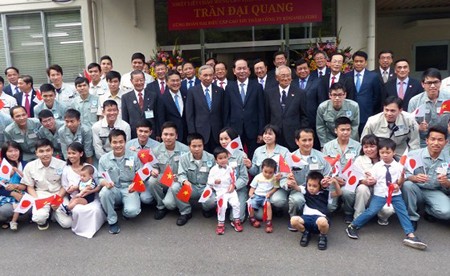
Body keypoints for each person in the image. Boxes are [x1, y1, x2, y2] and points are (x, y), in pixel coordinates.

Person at [346, 138, 427, 251]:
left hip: (395, 194)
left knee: (403, 212)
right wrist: (370, 178)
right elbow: (373, 180)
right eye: (382, 152)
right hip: (380, 194)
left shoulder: (399, 166)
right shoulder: (377, 166)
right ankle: (353, 225)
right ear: (379, 153)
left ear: (393, 152)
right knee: (371, 211)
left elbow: (400, 182)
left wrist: (398, 183)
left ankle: (410, 235)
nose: (385, 155)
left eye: (388, 152)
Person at [402, 126, 450, 230]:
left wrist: (447, 183)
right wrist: (413, 177)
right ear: (427, 141)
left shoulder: (448, 159)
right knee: (407, 185)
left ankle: (428, 210)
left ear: (445, 142)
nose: (436, 143)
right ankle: (412, 217)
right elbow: (400, 173)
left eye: (440, 140)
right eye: (433, 139)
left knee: (447, 212)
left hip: (434, 191)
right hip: (416, 188)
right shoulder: (413, 155)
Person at [286, 128, 332, 231]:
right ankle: (294, 218)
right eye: (304, 140)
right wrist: (288, 182)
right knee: (297, 200)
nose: (307, 143)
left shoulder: (322, 157)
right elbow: (283, 177)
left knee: (332, 206)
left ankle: (318, 220)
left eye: (310, 140)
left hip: (317, 192)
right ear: (297, 141)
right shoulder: (290, 158)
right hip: (298, 190)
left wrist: (326, 181)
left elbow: (328, 174)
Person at [98, 129, 141, 234]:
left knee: (132, 212)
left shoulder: (134, 156)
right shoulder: (104, 159)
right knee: (104, 192)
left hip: (129, 188)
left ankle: (124, 210)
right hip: (113, 188)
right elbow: (100, 178)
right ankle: (112, 220)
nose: (118, 145)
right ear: (110, 143)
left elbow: (141, 174)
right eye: (115, 142)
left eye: (121, 142)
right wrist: (106, 183)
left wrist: (136, 184)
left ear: (125, 142)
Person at [22, 138, 71, 230]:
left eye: (48, 150)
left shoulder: (62, 165)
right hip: (41, 194)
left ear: (52, 151)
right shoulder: (30, 166)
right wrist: (37, 200)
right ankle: (47, 214)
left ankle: (53, 213)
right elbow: (30, 187)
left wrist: (57, 199)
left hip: (58, 193)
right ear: (36, 153)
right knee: (39, 218)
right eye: (41, 151)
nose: (45, 154)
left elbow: (65, 185)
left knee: (67, 223)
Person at [169, 133, 216, 226]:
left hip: (206, 187)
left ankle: (206, 209)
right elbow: (181, 174)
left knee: (213, 200)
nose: (197, 149)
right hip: (191, 187)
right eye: (194, 146)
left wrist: (211, 186)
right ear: (189, 146)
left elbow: (215, 174)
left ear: (203, 145)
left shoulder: (211, 157)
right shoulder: (184, 158)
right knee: (175, 187)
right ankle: (185, 212)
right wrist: (184, 181)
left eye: (200, 146)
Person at [61, 142, 106, 238]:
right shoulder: (66, 169)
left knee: (94, 210)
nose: (71, 156)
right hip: (74, 196)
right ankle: (79, 228)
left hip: (90, 197)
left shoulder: (89, 168)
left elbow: (98, 185)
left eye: (74, 153)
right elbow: (64, 186)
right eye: (69, 153)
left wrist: (91, 191)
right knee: (77, 209)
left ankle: (93, 228)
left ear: (81, 154)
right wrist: (70, 189)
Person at [244, 125, 289, 217]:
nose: (267, 136)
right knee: (260, 217)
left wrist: (280, 176)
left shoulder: (284, 151)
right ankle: (266, 207)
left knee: (278, 201)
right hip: (261, 188)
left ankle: (275, 208)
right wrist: (249, 166)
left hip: (276, 187)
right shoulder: (258, 151)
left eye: (270, 134)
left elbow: (287, 172)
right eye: (265, 133)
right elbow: (255, 172)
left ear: (276, 136)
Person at [322, 116, 361, 223]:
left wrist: (347, 179)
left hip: (350, 180)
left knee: (348, 193)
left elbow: (359, 166)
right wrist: (335, 178)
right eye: (342, 130)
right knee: (330, 207)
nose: (345, 132)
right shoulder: (328, 146)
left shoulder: (357, 146)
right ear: (336, 130)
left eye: (348, 130)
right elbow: (325, 167)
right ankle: (336, 204)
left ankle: (348, 212)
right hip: (333, 181)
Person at [147, 122, 189, 219]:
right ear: (161, 135)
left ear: (176, 136)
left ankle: (183, 208)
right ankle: (160, 207)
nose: (168, 137)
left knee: (170, 204)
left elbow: (188, 170)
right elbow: (155, 166)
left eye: (171, 135)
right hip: (164, 178)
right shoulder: (156, 150)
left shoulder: (185, 150)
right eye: (165, 134)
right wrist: (154, 170)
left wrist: (180, 178)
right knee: (152, 180)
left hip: (178, 180)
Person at [290, 172, 342, 250]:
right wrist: (292, 183)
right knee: (293, 220)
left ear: (320, 186)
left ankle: (322, 236)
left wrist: (334, 182)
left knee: (323, 222)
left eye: (314, 186)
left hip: (320, 219)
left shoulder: (326, 194)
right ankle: (306, 233)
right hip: (306, 218)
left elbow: (339, 193)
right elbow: (296, 187)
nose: (311, 188)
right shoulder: (305, 190)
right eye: (309, 185)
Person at [225, 58, 265, 158]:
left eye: (244, 68)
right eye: (239, 69)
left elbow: (261, 111)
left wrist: (261, 132)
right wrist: (227, 131)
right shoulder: (229, 87)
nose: (242, 71)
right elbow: (226, 111)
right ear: (234, 71)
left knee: (253, 156)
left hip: (253, 129)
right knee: (236, 157)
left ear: (248, 70)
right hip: (235, 130)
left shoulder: (257, 86)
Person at [265, 65, 309, 151]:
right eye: (283, 75)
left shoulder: (300, 93)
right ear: (277, 78)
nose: (286, 78)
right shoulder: (269, 93)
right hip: (275, 135)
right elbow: (267, 115)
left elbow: (304, 116)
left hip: (293, 135)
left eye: (288, 75)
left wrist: (301, 133)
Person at [353, 134, 394, 224]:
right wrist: (364, 181)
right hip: (367, 193)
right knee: (362, 188)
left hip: (382, 193)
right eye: (366, 147)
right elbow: (356, 177)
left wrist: (377, 181)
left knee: (388, 210)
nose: (369, 149)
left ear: (378, 146)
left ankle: (381, 217)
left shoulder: (386, 158)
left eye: (372, 146)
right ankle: (358, 216)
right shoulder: (359, 159)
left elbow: (393, 177)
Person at [186, 65, 225, 152]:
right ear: (199, 76)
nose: (208, 78)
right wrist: (193, 134)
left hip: (217, 132)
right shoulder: (192, 91)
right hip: (200, 132)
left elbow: (223, 113)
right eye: (205, 75)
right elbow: (190, 115)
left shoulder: (219, 91)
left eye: (210, 75)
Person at [408, 68, 449, 148]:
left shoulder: (448, 98)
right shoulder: (415, 101)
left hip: (446, 141)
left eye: (436, 82)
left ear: (440, 83)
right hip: (423, 142)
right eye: (429, 83)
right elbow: (409, 125)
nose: (433, 86)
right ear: (423, 84)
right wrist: (418, 128)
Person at [207, 147, 243, 235]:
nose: (223, 160)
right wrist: (215, 181)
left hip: (230, 190)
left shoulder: (230, 168)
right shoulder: (213, 170)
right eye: (220, 158)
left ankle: (236, 220)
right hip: (221, 191)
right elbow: (209, 181)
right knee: (222, 206)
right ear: (216, 160)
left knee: (236, 204)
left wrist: (232, 184)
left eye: (225, 157)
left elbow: (233, 178)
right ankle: (221, 223)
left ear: (228, 157)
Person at [345, 51, 382, 134]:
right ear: (353, 62)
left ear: (366, 63)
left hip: (367, 113)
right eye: (356, 61)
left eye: (361, 61)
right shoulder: (346, 76)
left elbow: (377, 96)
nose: (358, 63)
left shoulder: (373, 76)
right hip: (350, 114)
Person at [218, 127, 249, 222]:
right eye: (221, 139)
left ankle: (241, 204)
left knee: (237, 218)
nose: (223, 142)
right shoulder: (217, 153)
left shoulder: (241, 155)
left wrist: (234, 186)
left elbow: (244, 178)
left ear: (233, 139)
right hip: (222, 188)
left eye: (226, 139)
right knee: (209, 203)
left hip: (238, 189)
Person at [316, 82, 360, 148]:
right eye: (334, 95)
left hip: (349, 139)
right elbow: (320, 127)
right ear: (330, 95)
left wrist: (348, 143)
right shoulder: (322, 107)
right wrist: (325, 145)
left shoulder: (354, 106)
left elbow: (355, 126)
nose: (337, 98)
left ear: (345, 95)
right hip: (329, 139)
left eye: (340, 95)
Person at [122, 70, 158, 139]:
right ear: (131, 81)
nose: (139, 83)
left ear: (144, 80)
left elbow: (157, 116)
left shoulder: (153, 95)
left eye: (141, 80)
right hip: (133, 134)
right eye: (136, 80)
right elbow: (125, 119)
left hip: (151, 134)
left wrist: (158, 133)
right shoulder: (126, 97)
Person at [0, 141, 27, 230]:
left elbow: (29, 182)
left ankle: (13, 221)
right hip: (6, 194)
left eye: (16, 150)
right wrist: (11, 192)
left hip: (22, 193)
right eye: (10, 151)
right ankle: (7, 219)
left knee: (22, 207)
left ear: (20, 151)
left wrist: (17, 186)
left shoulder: (26, 164)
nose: (13, 153)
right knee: (3, 211)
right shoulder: (2, 166)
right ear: (4, 153)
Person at [248, 158, 279, 233]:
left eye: (270, 172)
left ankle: (269, 223)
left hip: (266, 196)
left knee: (268, 205)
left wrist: (270, 193)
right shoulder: (258, 177)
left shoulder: (274, 178)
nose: (268, 174)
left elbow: (276, 188)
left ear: (274, 171)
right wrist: (250, 194)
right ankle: (252, 218)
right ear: (262, 169)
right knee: (250, 204)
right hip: (257, 195)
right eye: (265, 172)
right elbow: (253, 187)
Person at [156, 71, 188, 143]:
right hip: (171, 136)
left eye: (177, 80)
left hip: (187, 134)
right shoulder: (162, 98)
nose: (176, 83)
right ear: (167, 82)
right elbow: (161, 119)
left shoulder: (187, 94)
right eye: (173, 81)